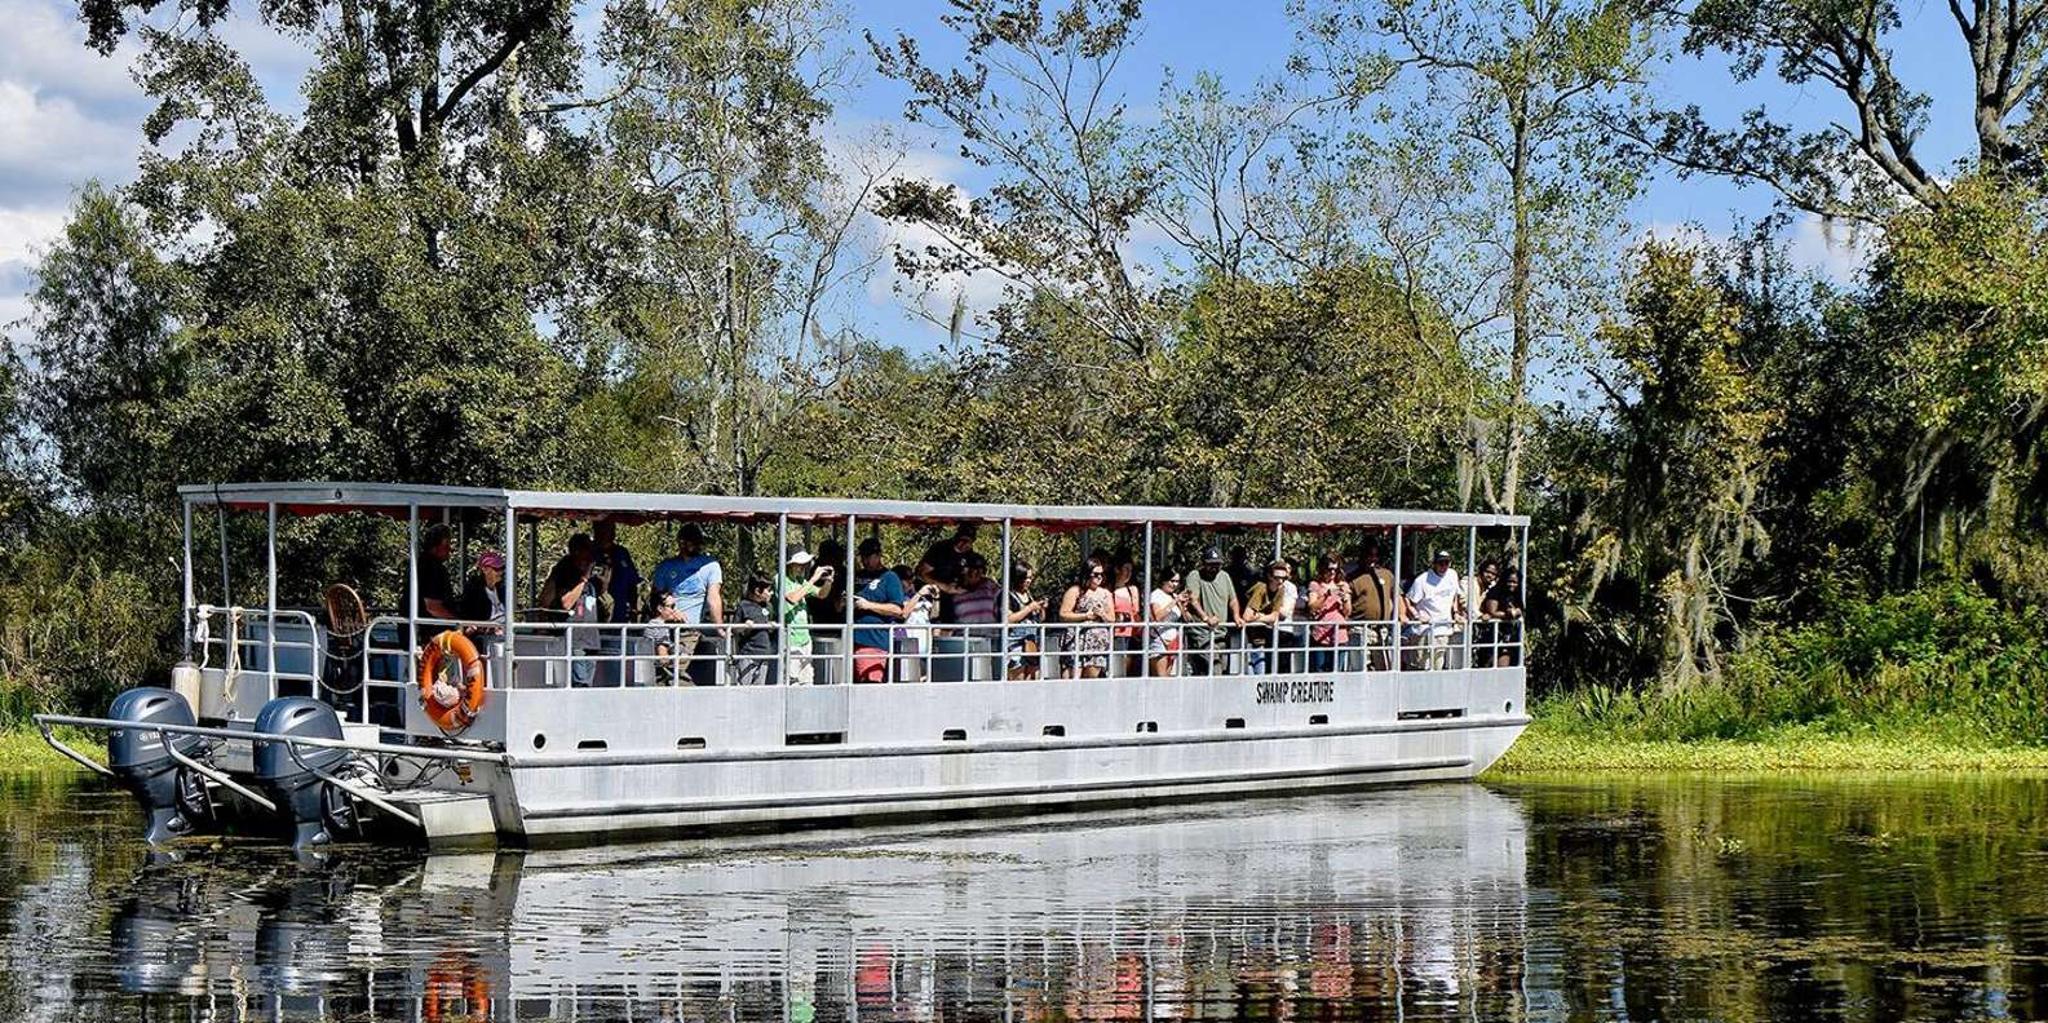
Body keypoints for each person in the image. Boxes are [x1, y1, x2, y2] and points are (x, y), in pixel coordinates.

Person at [650, 523, 725, 686]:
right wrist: (670, 611)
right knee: (662, 667)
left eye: (696, 540)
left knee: (677, 668)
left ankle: (684, 698)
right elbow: (655, 597)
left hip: (690, 629)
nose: (693, 544)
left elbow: (714, 598)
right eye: (688, 541)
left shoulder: (710, 565)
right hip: (665, 626)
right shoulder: (666, 566)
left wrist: (719, 627)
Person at [538, 533, 603, 686]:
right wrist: (583, 580)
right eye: (586, 552)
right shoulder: (566, 571)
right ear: (576, 552)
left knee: (588, 684)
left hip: (591, 640)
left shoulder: (591, 574)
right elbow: (566, 603)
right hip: (575, 640)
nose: (589, 558)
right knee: (580, 684)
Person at [590, 520, 642, 686]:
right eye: (603, 530)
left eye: (611, 530)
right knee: (592, 662)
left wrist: (634, 609)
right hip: (593, 619)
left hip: (619, 617)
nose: (608, 534)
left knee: (616, 660)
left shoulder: (621, 553)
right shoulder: (589, 553)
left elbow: (632, 584)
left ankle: (614, 688)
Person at [850, 537, 908, 683]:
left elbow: (897, 610)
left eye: (868, 556)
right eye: (862, 556)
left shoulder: (890, 578)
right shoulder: (856, 576)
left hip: (873, 642)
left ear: (878, 555)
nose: (865, 560)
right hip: (850, 640)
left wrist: (868, 605)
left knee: (869, 684)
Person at [1183, 547, 1241, 675]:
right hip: (1203, 635)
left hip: (1222, 634)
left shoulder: (1224, 576)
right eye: (1210, 565)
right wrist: (1205, 618)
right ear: (1203, 563)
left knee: (1224, 670)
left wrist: (1236, 615)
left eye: (1217, 565)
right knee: (1215, 669)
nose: (1214, 568)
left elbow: (1233, 600)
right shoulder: (1195, 576)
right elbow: (1193, 600)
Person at [780, 549, 833, 685]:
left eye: (805, 564)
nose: (802, 567)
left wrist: (828, 581)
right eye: (799, 564)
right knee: (792, 681)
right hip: (790, 640)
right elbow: (793, 598)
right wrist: (813, 579)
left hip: (805, 640)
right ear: (790, 565)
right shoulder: (781, 579)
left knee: (807, 681)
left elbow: (821, 594)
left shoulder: (801, 581)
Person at [1404, 550, 1464, 670]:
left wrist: (1456, 612)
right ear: (1434, 563)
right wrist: (1417, 616)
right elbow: (1408, 600)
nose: (1444, 566)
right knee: (1420, 665)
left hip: (1443, 629)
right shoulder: (1422, 580)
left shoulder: (1452, 574)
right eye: (1440, 563)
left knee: (1438, 665)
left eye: (1447, 562)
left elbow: (1455, 595)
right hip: (1424, 630)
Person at [1057, 556, 1115, 679]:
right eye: (1096, 574)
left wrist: (1102, 614)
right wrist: (1084, 616)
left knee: (1091, 682)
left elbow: (1112, 619)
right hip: (1076, 641)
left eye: (1101, 574)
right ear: (1087, 574)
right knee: (1072, 680)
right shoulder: (1075, 591)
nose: (1099, 577)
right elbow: (1063, 614)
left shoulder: (1106, 594)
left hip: (1097, 645)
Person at [1348, 540, 1399, 671]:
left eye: (1375, 555)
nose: (1373, 558)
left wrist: (1401, 615)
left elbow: (1397, 597)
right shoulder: (1353, 577)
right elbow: (1347, 604)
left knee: (1384, 667)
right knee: (1361, 668)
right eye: (1369, 555)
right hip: (1360, 628)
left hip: (1382, 630)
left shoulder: (1387, 575)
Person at [1240, 559, 1297, 675]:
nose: (1280, 581)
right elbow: (1247, 616)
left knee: (1265, 671)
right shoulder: (1261, 588)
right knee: (1255, 673)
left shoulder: (1281, 590)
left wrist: (1260, 616)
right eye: (1276, 577)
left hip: (1263, 638)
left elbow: (1275, 617)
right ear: (1269, 576)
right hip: (1250, 638)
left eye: (1284, 578)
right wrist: (1266, 617)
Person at [1306, 552, 1352, 673]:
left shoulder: (1343, 585)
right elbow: (1312, 607)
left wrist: (1345, 599)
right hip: (1320, 634)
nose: (1332, 572)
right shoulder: (1315, 585)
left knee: (1337, 671)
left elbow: (1347, 612)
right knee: (1319, 672)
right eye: (1329, 569)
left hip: (1339, 634)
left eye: (1335, 569)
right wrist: (1327, 595)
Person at [732, 576, 778, 686]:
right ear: (757, 591)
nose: (770, 593)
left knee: (759, 689)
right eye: (768, 590)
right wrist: (745, 626)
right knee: (744, 687)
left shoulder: (768, 606)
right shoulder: (743, 606)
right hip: (748, 654)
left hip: (765, 655)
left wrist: (772, 627)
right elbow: (734, 629)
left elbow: (770, 627)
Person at [1005, 562, 1048, 680]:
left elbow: (1039, 620)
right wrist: (1029, 608)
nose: (1028, 581)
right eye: (1025, 578)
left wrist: (1041, 609)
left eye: (1030, 578)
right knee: (1018, 679)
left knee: (1034, 678)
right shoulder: (1007, 596)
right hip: (1015, 645)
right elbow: (1008, 619)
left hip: (1032, 645)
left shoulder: (1030, 595)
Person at [1482, 566, 1525, 666]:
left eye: (1515, 582)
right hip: (1492, 634)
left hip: (1509, 635)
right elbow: (1492, 612)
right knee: (1489, 664)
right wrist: (1508, 614)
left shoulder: (1516, 593)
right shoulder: (1495, 591)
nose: (1512, 585)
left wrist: (1516, 612)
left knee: (1505, 661)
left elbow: (1521, 609)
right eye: (1509, 581)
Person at [1147, 569, 1186, 677]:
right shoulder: (1156, 594)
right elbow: (1158, 616)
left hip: (1173, 640)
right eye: (1172, 581)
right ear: (1164, 580)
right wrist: (1174, 602)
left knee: (1168, 678)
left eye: (1177, 581)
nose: (1174, 584)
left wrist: (1184, 605)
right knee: (1160, 677)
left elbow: (1187, 619)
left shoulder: (1174, 596)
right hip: (1159, 640)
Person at [1109, 552, 1143, 677]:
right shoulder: (1109, 590)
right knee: (1118, 668)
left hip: (1132, 635)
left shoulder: (1132, 589)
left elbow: (1136, 612)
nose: (1129, 573)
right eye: (1126, 569)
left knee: (1132, 668)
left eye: (1131, 570)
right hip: (1117, 634)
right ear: (1117, 569)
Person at [416, 523, 457, 622]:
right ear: (434, 547)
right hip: (430, 631)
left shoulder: (420, 563)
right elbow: (432, 607)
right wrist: (458, 622)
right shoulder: (431, 568)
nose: (450, 549)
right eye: (446, 545)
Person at [458, 549, 508, 627]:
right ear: (485, 569)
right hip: (487, 634)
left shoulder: (502, 590)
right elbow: (471, 620)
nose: (501, 572)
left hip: (504, 630)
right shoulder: (473, 592)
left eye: (502, 568)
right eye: (497, 569)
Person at [1467, 559, 1501, 666]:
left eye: (1493, 574)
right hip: (1463, 628)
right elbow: (1466, 602)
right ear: (1481, 571)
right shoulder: (1468, 582)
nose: (1490, 576)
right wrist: (1480, 616)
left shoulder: (1492, 587)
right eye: (1488, 572)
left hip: (1479, 631)